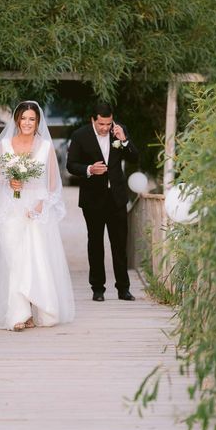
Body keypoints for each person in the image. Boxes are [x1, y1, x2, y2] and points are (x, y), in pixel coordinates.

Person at [0, 101, 75, 331]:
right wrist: (9, 181)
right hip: (10, 209)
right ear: (16, 121)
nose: (27, 123)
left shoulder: (45, 147)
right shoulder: (4, 145)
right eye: (23, 119)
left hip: (36, 209)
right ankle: (19, 315)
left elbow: (54, 185)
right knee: (16, 261)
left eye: (31, 119)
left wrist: (42, 205)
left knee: (35, 259)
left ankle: (41, 308)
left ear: (37, 122)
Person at [66, 103, 139, 302]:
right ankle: (98, 289)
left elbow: (135, 157)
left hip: (116, 198)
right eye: (101, 124)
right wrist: (89, 169)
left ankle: (123, 289)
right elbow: (71, 165)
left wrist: (124, 140)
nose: (105, 128)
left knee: (119, 245)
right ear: (93, 120)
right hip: (93, 199)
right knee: (95, 244)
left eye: (108, 123)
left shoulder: (119, 131)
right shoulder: (80, 136)